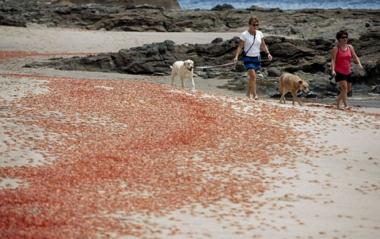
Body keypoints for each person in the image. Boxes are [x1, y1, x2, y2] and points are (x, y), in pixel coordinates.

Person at [233, 16, 272, 100]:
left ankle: (247, 93)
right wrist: (236, 57)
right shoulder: (244, 35)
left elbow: (263, 45)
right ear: (249, 25)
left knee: (251, 77)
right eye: (254, 25)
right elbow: (240, 47)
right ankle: (255, 95)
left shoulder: (260, 33)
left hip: (257, 58)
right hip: (248, 58)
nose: (255, 26)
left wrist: (268, 53)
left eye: (257, 25)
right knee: (253, 76)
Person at [331, 30, 363, 109]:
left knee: (348, 89)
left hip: (348, 71)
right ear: (339, 39)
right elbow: (333, 60)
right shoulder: (336, 49)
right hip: (339, 71)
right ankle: (345, 105)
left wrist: (359, 64)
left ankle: (338, 102)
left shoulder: (350, 47)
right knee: (344, 88)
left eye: (346, 37)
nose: (345, 39)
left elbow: (355, 56)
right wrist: (333, 70)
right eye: (343, 37)